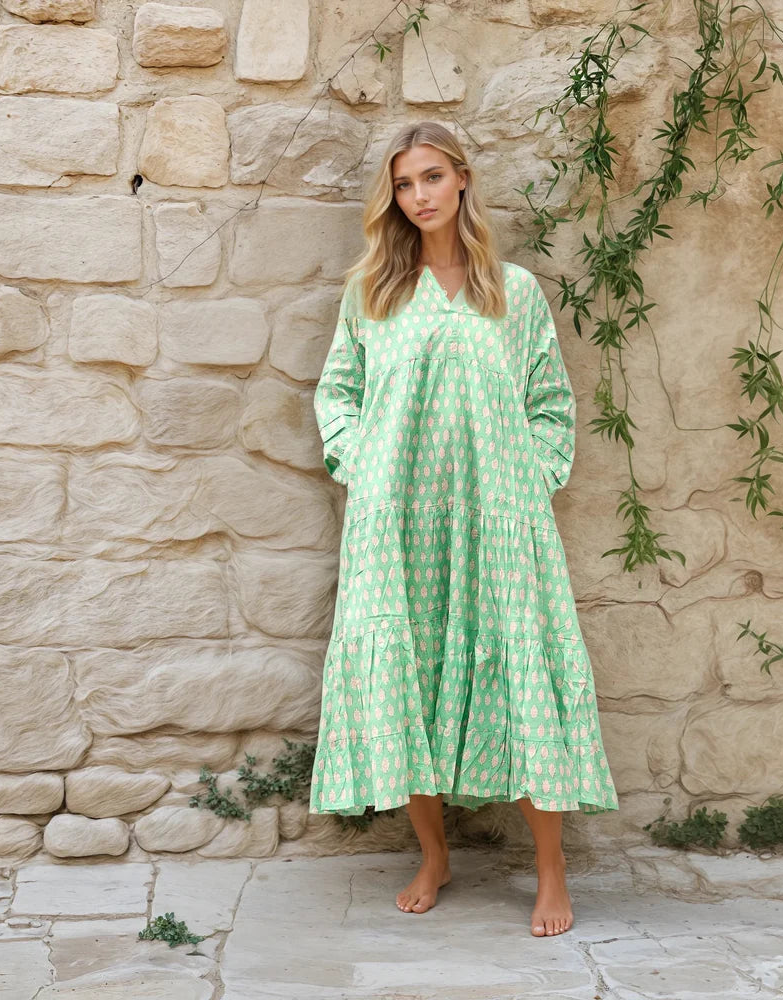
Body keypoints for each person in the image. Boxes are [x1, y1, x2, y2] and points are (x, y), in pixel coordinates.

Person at [310, 120, 618, 937]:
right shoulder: (372, 293)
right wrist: (361, 467)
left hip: (499, 521)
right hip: (398, 521)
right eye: (405, 184)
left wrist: (530, 480)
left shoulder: (512, 291)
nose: (420, 196)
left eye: (432, 177)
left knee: (523, 677)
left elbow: (550, 401)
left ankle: (551, 871)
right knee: (409, 677)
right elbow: (338, 392)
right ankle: (434, 855)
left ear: (462, 179)